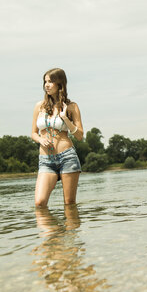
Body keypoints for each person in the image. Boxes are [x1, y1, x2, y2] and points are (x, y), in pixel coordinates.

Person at [31, 68, 84, 208]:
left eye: (50, 81)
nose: (46, 85)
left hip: (67, 157)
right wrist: (40, 139)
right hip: (46, 160)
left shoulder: (72, 107)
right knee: (39, 203)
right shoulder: (39, 106)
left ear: (60, 84)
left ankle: (71, 230)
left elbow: (79, 136)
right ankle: (56, 231)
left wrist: (65, 119)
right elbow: (33, 133)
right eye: (45, 82)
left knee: (69, 204)